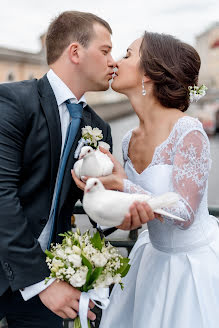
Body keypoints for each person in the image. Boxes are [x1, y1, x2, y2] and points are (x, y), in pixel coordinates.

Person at [0, 10, 141, 328]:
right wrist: (40, 282)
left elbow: (100, 220)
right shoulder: (12, 101)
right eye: (105, 51)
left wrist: (115, 192)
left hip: (52, 275)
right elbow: (1, 195)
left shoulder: (98, 126)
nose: (113, 62)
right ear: (75, 52)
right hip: (21, 271)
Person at [73, 31, 219, 328]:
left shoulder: (188, 131)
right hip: (150, 258)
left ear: (150, 74)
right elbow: (135, 210)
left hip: (192, 267)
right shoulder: (128, 141)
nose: (115, 61)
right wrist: (98, 191)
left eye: (127, 54)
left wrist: (121, 184)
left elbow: (184, 214)